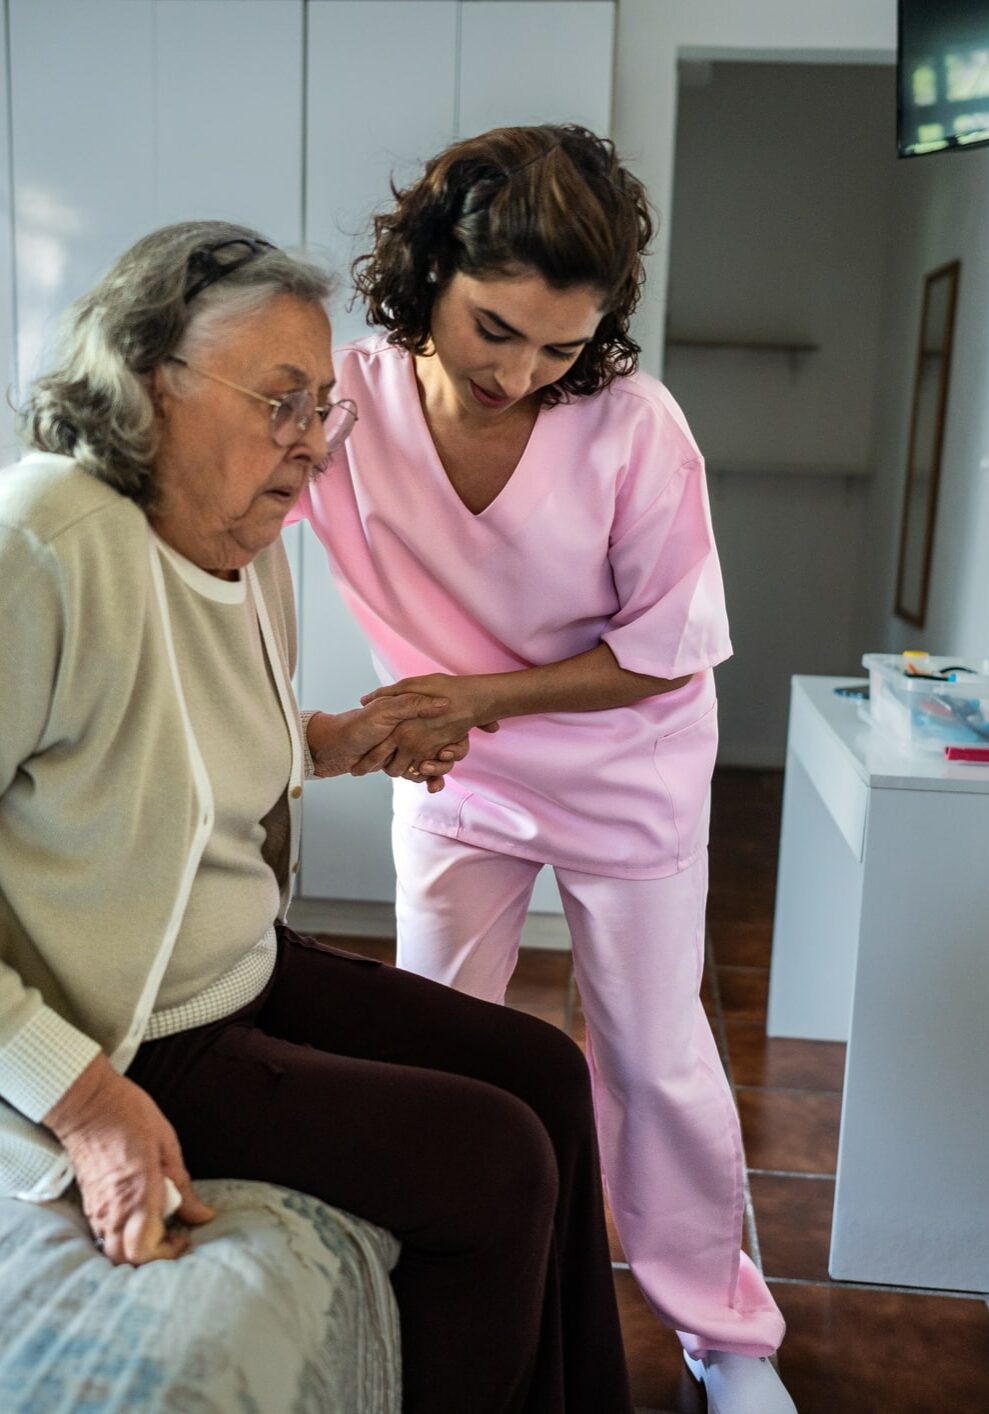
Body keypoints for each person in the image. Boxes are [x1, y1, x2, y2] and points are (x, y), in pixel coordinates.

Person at [0, 220, 634, 1414]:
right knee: (489, 1164)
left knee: (545, 1074)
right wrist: (85, 1104)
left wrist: (333, 742)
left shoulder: (245, 540)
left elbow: (164, 750)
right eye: (280, 404)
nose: (312, 448)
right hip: (128, 1031)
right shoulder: (44, 543)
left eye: (321, 410)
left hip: (235, 968)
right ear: (150, 382)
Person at [293, 125, 798, 1414]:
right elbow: (220, 508)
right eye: (493, 330)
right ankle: (425, 1284)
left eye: (561, 345)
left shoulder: (632, 425)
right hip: (451, 773)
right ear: (425, 279)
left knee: (648, 1054)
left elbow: (665, 654)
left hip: (621, 767)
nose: (521, 371)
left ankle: (720, 1335)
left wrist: (474, 697)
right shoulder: (343, 401)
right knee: (439, 1026)